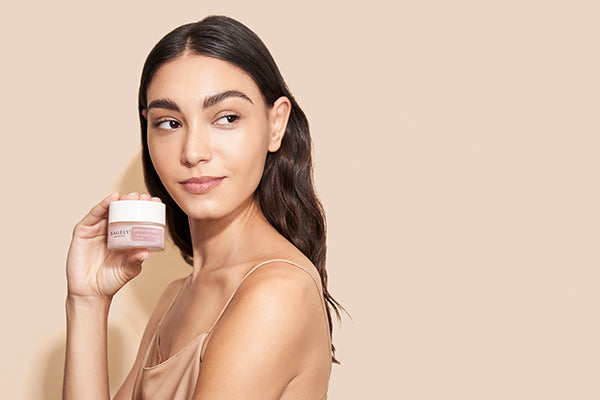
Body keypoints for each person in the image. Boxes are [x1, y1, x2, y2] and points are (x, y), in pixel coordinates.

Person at [63, 15, 343, 400]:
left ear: (275, 123)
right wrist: (87, 302)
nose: (193, 152)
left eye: (226, 118)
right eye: (169, 123)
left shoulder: (277, 292)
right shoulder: (176, 297)